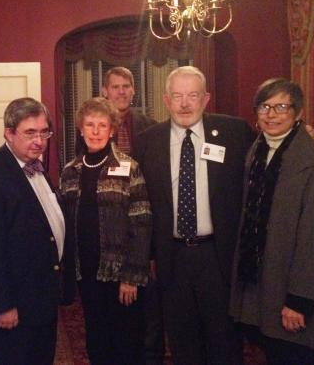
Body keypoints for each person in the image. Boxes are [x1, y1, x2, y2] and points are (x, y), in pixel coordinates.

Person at [134, 65, 255, 365]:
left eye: (192, 95)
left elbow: (265, 165)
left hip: (218, 254)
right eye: (177, 96)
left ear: (206, 98)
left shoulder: (234, 132)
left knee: (223, 338)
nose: (185, 103)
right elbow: (141, 200)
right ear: (166, 100)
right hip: (171, 256)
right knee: (182, 338)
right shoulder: (147, 141)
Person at [230, 78, 314, 365]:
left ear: (298, 112)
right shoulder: (257, 152)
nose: (271, 114)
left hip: (296, 293)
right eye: (265, 107)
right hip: (263, 286)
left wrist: (298, 301)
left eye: (281, 106)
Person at [0, 97, 65, 365]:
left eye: (44, 132)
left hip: (40, 301)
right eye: (30, 133)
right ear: (8, 133)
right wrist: (2, 305)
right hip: (14, 309)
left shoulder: (37, 168)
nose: (39, 140)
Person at [60, 97, 152, 365]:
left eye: (103, 125)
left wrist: (131, 277)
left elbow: (142, 223)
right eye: (90, 124)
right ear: (81, 129)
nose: (96, 131)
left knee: (125, 342)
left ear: (112, 130)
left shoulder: (129, 168)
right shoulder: (70, 172)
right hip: (85, 272)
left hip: (121, 275)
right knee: (96, 339)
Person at [100, 67, 163, 365]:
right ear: (105, 91)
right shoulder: (93, 126)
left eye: (127, 86)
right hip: (109, 225)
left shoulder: (150, 127)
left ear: (134, 91)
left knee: (148, 308)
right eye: (116, 87)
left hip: (143, 215)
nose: (122, 92)